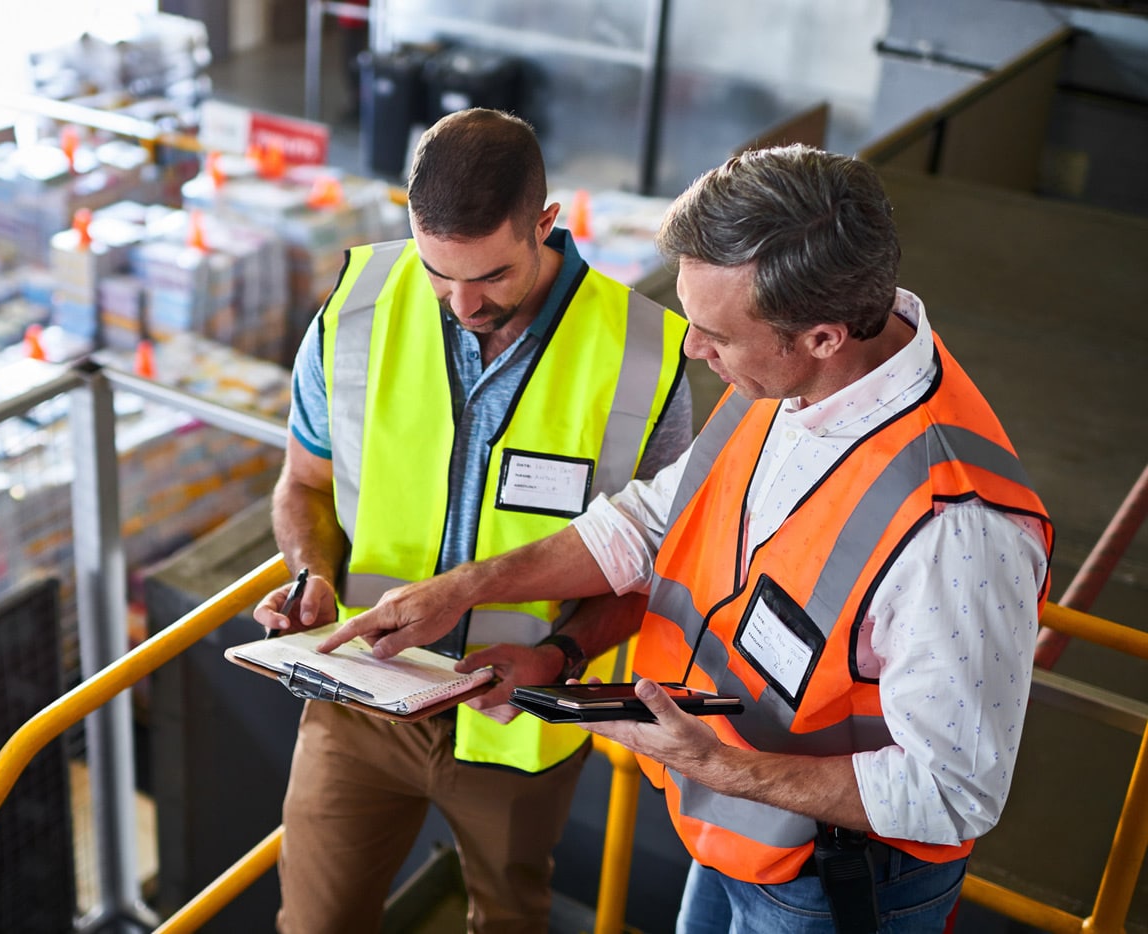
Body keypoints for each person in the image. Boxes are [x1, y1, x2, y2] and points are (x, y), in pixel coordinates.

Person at [323, 144, 1055, 933]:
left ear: (822, 336)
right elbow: (647, 521)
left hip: (834, 886)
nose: (690, 349)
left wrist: (717, 763)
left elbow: (953, 793)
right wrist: (468, 588)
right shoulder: (787, 381)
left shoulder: (959, 531)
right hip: (733, 835)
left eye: (714, 333)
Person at [251, 107, 694, 934]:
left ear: (545, 223)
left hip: (517, 726)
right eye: (436, 271)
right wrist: (309, 576)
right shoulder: (355, 309)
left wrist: (558, 654)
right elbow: (303, 483)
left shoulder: (645, 356)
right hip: (361, 698)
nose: (461, 302)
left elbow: (660, 565)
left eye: (490, 275)